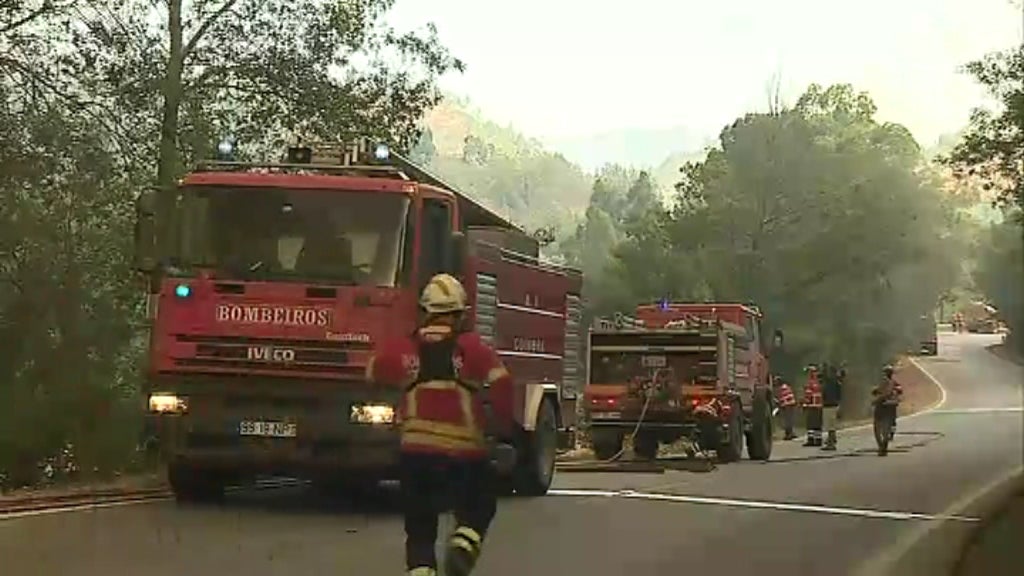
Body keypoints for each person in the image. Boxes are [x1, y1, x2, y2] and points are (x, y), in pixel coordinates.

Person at [366, 273, 515, 576]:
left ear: (425, 312)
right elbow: (503, 383)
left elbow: (374, 371)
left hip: (415, 455)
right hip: (465, 454)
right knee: (480, 504)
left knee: (419, 527)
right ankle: (463, 544)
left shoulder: (404, 348)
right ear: (459, 315)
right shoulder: (472, 349)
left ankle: (422, 570)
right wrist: (502, 426)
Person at [872, 364, 903, 435]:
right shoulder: (882, 381)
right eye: (886, 372)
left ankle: (892, 427)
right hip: (882, 401)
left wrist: (897, 389)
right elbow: (877, 389)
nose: (888, 373)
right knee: (877, 407)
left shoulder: (893, 382)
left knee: (893, 414)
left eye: (889, 372)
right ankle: (878, 423)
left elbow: (900, 389)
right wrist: (875, 391)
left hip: (890, 401)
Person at [820, 362, 842, 451]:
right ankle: (832, 440)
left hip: (829, 405)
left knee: (830, 426)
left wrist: (824, 368)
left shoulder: (830, 382)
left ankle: (831, 443)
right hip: (833, 404)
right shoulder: (836, 382)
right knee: (831, 425)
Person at [801, 365, 824, 447]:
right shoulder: (820, 382)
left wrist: (804, 404)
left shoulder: (810, 383)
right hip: (819, 406)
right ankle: (818, 440)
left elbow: (808, 395)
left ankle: (811, 440)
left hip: (811, 406)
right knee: (817, 424)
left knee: (810, 424)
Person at [773, 376, 798, 440]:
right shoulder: (785, 386)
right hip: (790, 404)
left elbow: (782, 398)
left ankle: (789, 434)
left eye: (775, 381)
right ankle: (791, 433)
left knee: (787, 420)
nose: (774, 383)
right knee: (790, 420)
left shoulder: (782, 388)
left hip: (788, 405)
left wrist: (777, 402)